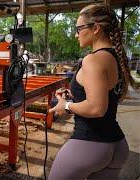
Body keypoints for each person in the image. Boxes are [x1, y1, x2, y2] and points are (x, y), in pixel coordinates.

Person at [48, 3, 137, 179]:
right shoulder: (115, 58)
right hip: (117, 146)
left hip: (89, 145)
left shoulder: (92, 60)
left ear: (95, 28)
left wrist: (66, 105)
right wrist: (75, 96)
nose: (75, 34)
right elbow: (106, 96)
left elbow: (96, 108)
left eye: (78, 28)